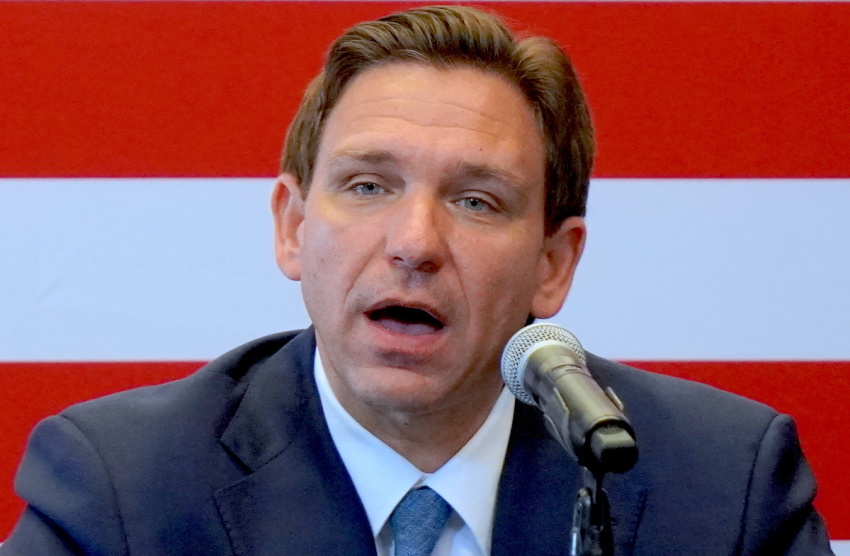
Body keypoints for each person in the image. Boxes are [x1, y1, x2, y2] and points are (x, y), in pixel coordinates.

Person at [0, 6, 834, 556]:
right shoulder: (121, 492)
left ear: (553, 264)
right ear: (293, 227)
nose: (415, 242)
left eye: (476, 201)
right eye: (368, 186)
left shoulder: (725, 489)